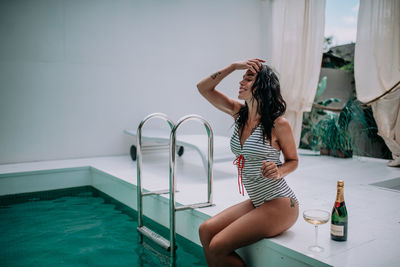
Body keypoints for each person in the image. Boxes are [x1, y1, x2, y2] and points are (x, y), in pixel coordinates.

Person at [197, 59, 299, 267]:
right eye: (242, 78)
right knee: (205, 231)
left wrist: (278, 171)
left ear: (262, 86)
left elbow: (293, 161)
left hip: (280, 203)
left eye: (249, 78)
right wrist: (233, 66)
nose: (241, 82)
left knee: (217, 245)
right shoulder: (239, 113)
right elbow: (203, 88)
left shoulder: (279, 124)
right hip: (257, 200)